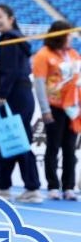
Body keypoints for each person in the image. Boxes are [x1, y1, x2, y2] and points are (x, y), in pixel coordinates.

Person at [0, 4, 42, 204]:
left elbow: (10, 70)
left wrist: (2, 94)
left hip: (15, 95)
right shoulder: (13, 37)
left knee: (18, 140)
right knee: (7, 139)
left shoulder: (10, 38)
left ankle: (32, 187)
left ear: (11, 18)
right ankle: (2, 185)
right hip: (17, 93)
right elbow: (4, 70)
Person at [31, 20, 78, 201]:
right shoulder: (43, 55)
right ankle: (53, 185)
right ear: (60, 35)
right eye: (69, 34)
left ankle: (69, 186)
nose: (72, 37)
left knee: (70, 149)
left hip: (73, 109)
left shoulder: (74, 54)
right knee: (53, 146)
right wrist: (45, 109)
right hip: (54, 107)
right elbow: (39, 83)